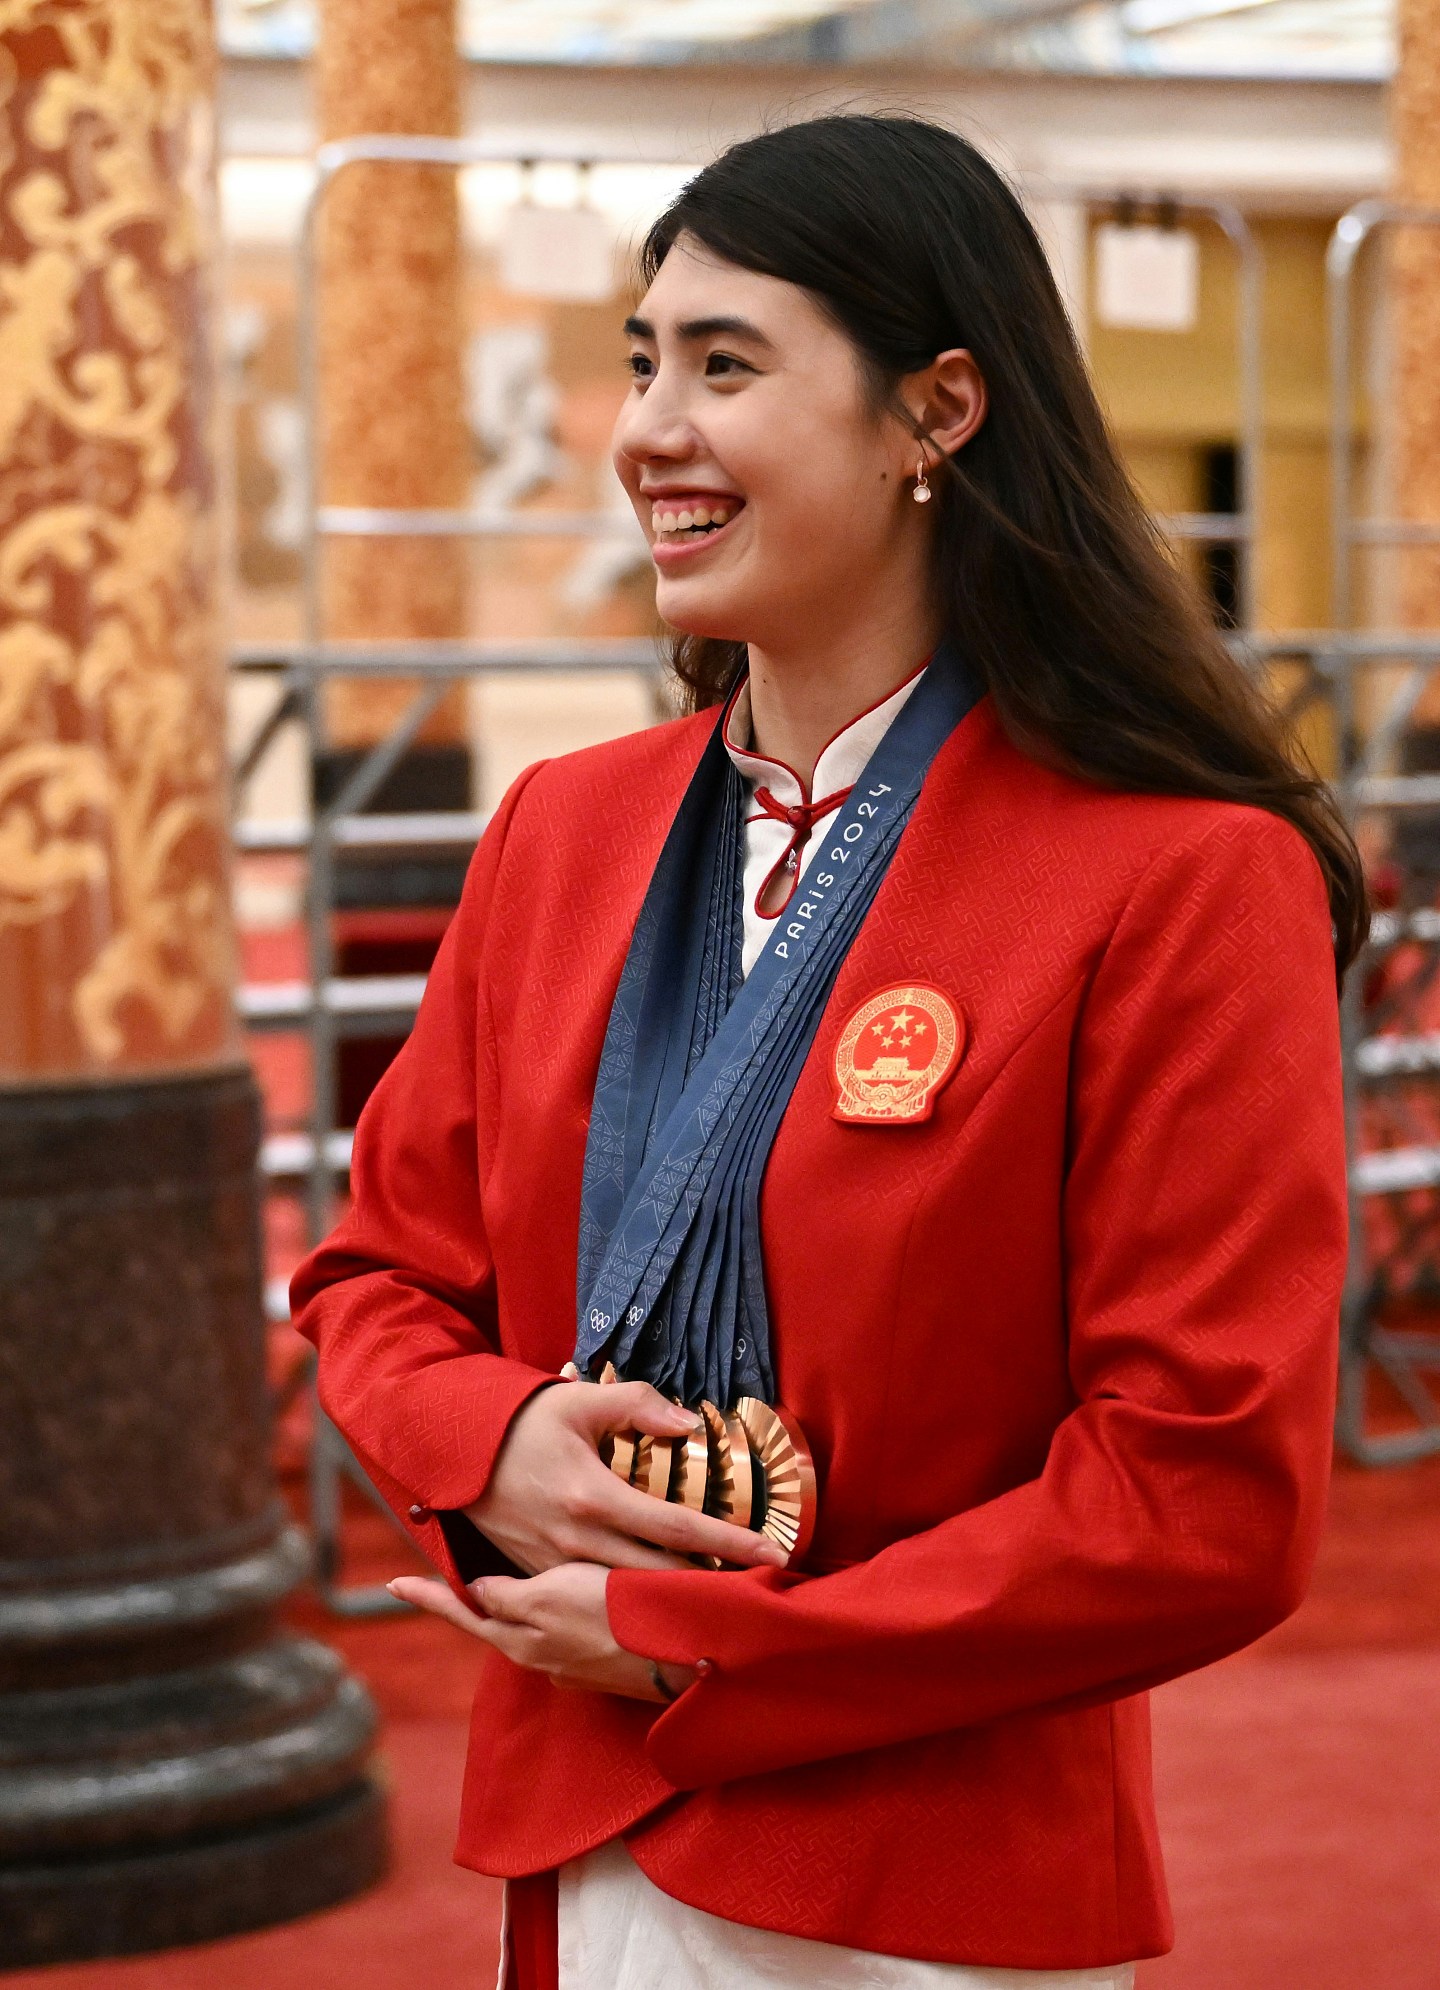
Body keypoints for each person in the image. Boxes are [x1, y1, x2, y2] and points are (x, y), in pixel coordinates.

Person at [293, 113, 1363, 1990]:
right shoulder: (564, 831)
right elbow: (377, 1274)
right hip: (580, 1820)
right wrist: (502, 1442)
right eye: (642, 360)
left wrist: (712, 1639)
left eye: (725, 362)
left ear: (935, 410)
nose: (645, 427)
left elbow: (1201, 1499)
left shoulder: (1184, 874)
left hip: (935, 1878)